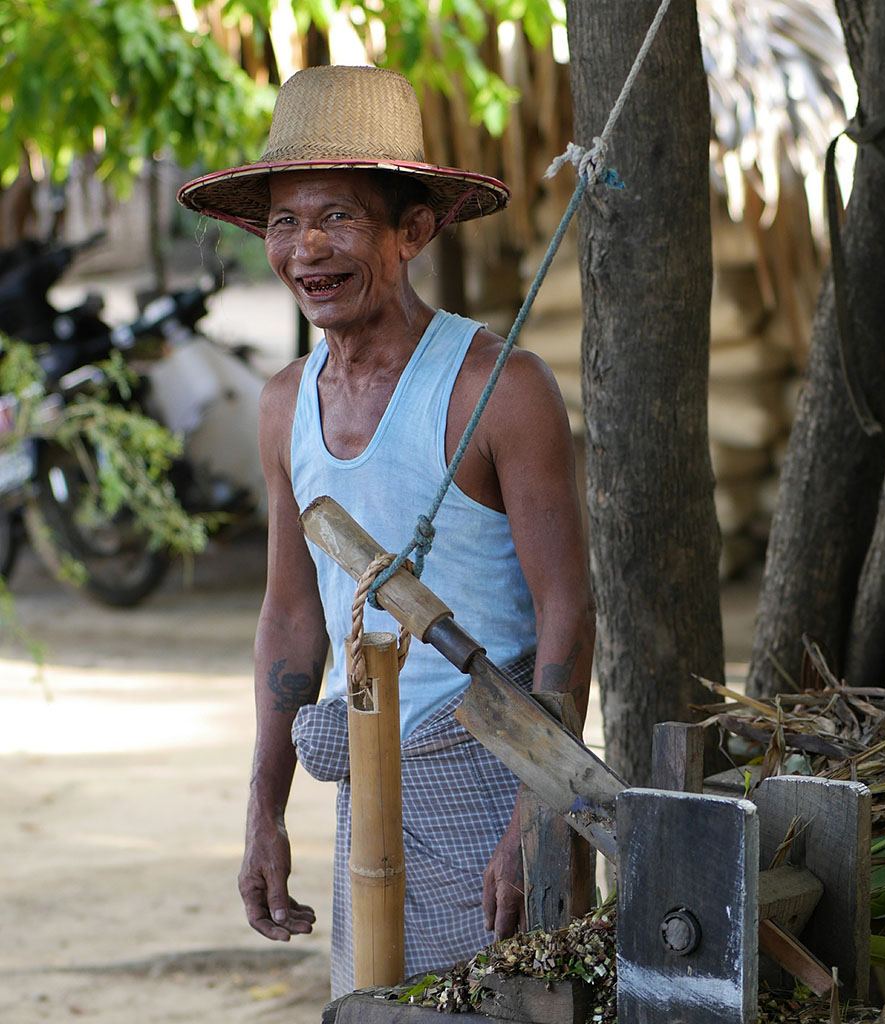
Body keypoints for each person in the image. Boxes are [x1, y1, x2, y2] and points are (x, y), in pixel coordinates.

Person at [177, 64, 593, 995]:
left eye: (338, 218)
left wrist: (538, 817)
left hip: (497, 790)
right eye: (285, 221)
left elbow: (567, 609)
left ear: (413, 230)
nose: (306, 249)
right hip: (372, 800)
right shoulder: (285, 406)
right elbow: (291, 620)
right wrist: (264, 809)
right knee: (376, 1009)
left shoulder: (499, 389)